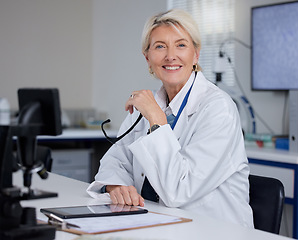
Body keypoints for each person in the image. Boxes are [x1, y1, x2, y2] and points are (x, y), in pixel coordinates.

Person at [87, 9, 254, 228]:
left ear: (196, 55)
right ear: (147, 58)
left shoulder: (218, 108)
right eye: (160, 46)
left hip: (211, 230)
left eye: (181, 45)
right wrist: (115, 186)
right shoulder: (146, 105)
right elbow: (115, 160)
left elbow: (179, 190)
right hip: (156, 224)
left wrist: (156, 118)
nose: (170, 55)